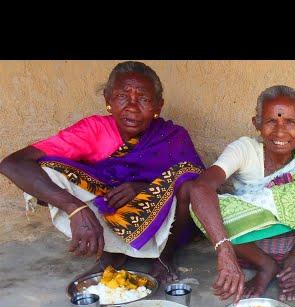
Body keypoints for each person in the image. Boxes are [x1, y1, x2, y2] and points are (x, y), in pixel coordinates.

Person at [0, 61, 205, 282]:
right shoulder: (93, 130)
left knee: (187, 182)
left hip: (161, 222)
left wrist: (144, 189)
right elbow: (12, 164)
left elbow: (200, 183)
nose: (132, 107)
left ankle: (164, 258)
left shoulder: (173, 135)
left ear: (158, 106)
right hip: (108, 207)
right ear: (108, 100)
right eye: (122, 97)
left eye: (144, 99)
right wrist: (74, 208)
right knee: (47, 171)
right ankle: (110, 254)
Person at [190, 85, 295, 303]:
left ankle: (290, 268)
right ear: (256, 124)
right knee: (203, 206)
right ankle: (266, 266)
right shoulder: (244, 149)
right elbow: (200, 188)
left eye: (290, 122)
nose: (280, 131)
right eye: (271, 121)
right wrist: (224, 251)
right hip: (250, 242)